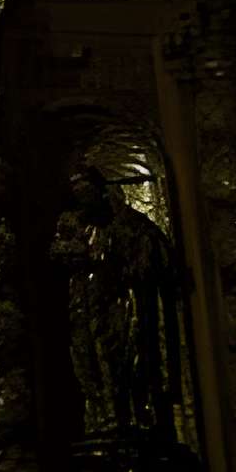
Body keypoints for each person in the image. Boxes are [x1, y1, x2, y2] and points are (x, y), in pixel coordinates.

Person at [50, 165, 181, 443]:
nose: (82, 196)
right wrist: (81, 254)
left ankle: (133, 417)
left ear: (101, 191)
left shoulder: (125, 222)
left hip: (115, 301)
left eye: (87, 189)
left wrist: (114, 257)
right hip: (83, 302)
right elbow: (58, 254)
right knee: (87, 360)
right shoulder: (71, 223)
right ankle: (103, 418)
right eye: (76, 191)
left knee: (124, 358)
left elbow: (150, 254)